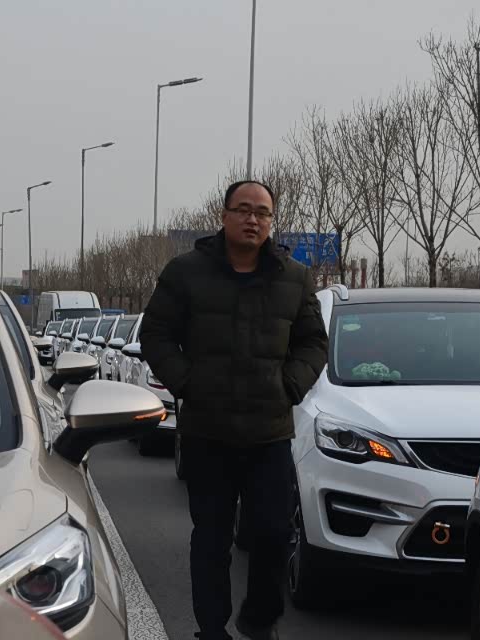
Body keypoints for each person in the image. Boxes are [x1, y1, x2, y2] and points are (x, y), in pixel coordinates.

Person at [140, 180, 328, 640]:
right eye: (243, 210)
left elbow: (314, 343)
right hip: (208, 433)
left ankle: (260, 619)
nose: (252, 219)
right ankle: (211, 629)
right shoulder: (186, 272)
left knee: (273, 533)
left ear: (271, 222)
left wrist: (290, 385)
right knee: (211, 539)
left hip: (269, 434)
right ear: (223, 216)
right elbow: (156, 335)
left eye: (262, 212)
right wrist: (187, 384)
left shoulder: (294, 277)